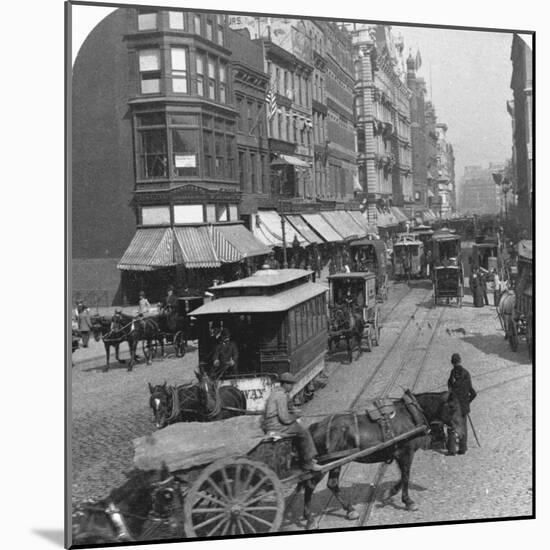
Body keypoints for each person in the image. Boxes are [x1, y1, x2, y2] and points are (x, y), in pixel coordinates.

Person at [263, 373, 322, 471]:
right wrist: (295, 416)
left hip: (272, 423)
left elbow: (287, 408)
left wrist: (293, 410)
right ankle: (308, 462)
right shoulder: (281, 396)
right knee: (303, 431)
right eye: (291, 385)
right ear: (285, 384)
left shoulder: (277, 392)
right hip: (276, 425)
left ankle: (299, 454)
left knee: (298, 428)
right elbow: (284, 418)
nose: (292, 387)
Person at [447, 353, 477, 455]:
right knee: (463, 426)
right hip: (463, 407)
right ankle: (462, 448)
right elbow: (473, 393)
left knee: (452, 426)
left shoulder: (452, 373)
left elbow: (450, 389)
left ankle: (451, 449)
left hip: (453, 406)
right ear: (460, 360)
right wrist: (467, 402)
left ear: (452, 362)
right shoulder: (466, 373)